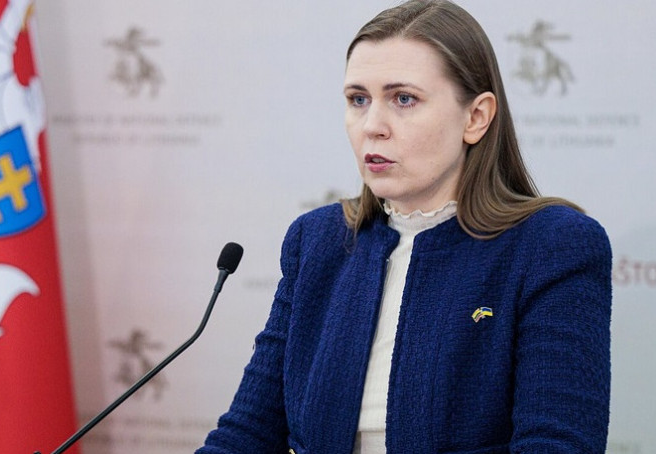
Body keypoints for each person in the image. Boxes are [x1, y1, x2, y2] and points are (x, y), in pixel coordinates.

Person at [197, 1, 612, 453]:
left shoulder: (553, 246)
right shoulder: (316, 240)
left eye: (404, 99)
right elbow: (246, 434)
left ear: (476, 117)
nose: (372, 126)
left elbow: (555, 445)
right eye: (358, 100)